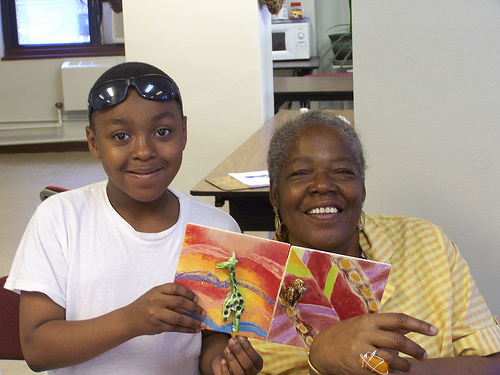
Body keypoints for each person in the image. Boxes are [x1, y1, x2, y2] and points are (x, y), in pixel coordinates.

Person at [5, 62, 263, 375]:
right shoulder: (59, 219)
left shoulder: (216, 230)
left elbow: (212, 337)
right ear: (93, 142)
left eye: (162, 132)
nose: (143, 150)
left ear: (183, 132)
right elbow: (36, 348)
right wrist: (131, 320)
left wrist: (222, 364)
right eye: (121, 135)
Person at [251, 110, 500, 374]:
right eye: (300, 173)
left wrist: (399, 370)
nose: (323, 185)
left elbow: (493, 363)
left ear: (363, 187)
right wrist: (320, 358)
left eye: (342, 171)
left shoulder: (426, 242)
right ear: (275, 195)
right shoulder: (252, 285)